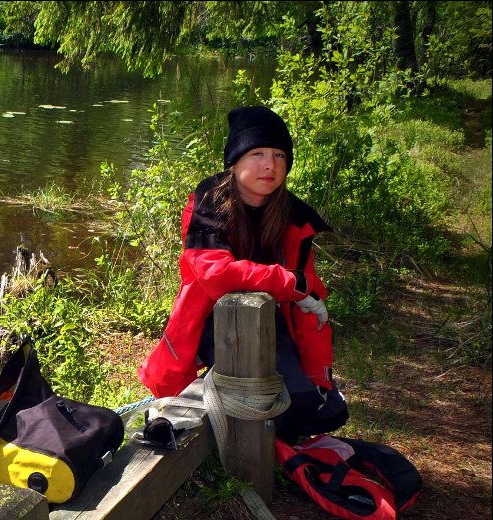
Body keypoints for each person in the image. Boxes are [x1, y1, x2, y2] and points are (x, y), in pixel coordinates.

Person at [137, 104, 348, 442]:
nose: (270, 165)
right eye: (258, 153)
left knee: (311, 404)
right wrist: (289, 282)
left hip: (270, 322)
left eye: (280, 155)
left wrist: (320, 376)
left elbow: (310, 303)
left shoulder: (293, 217)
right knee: (274, 400)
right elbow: (218, 276)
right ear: (235, 161)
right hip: (209, 320)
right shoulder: (209, 202)